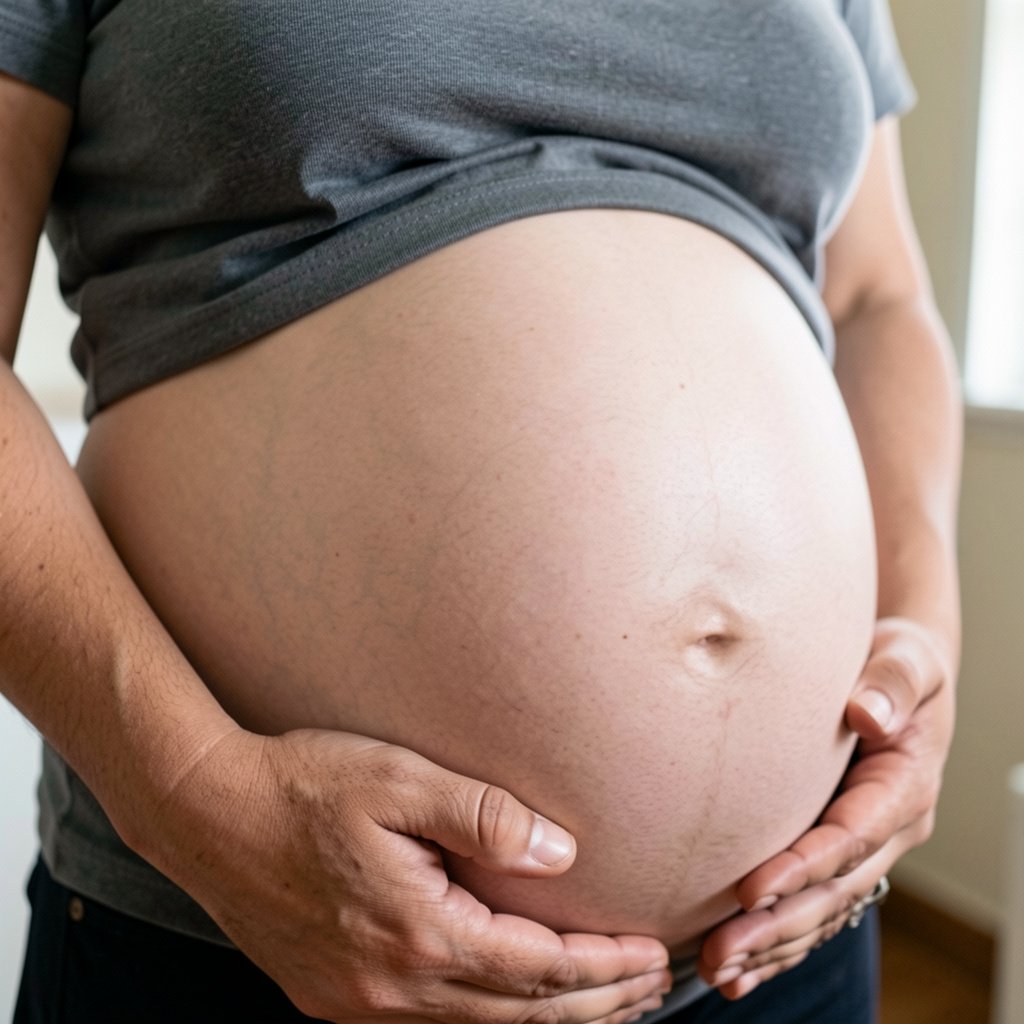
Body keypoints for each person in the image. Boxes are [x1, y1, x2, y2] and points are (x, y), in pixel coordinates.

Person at [0, 0, 961, 1021]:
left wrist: (927, 635)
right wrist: (194, 790)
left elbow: (876, 299)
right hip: (269, 934)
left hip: (778, 942)